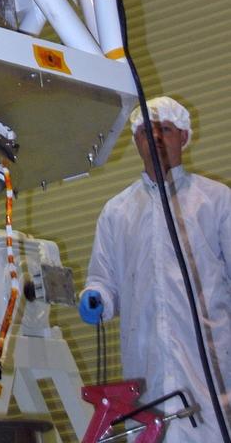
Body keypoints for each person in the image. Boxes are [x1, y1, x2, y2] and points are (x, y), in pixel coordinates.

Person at [80, 96, 231, 443]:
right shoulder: (117, 212)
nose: (157, 138)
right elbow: (103, 280)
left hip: (211, 364)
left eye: (166, 129)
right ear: (136, 141)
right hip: (145, 366)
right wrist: (96, 297)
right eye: (147, 132)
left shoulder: (216, 201)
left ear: (184, 137)